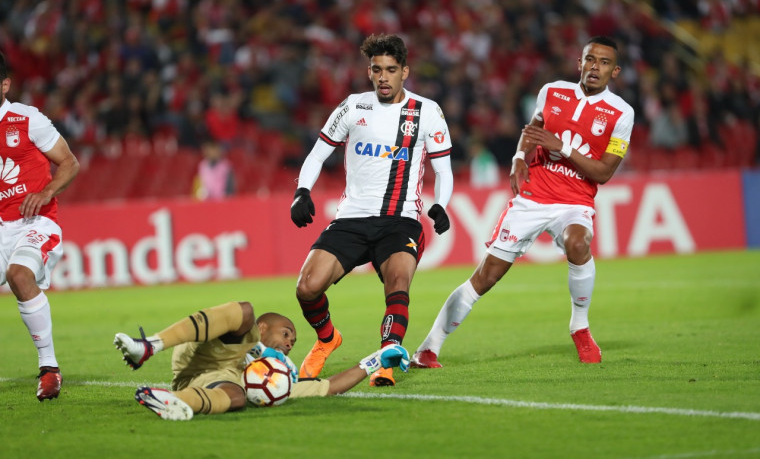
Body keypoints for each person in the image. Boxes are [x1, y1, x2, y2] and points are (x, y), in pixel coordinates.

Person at [412, 36, 634, 367]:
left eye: (603, 63)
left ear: (614, 72)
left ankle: (580, 327)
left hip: (575, 201)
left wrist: (562, 147)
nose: (594, 67)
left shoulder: (621, 113)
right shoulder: (552, 91)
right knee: (485, 277)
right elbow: (533, 129)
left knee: (578, 243)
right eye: (590, 60)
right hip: (533, 197)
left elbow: (602, 174)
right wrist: (518, 156)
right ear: (579, 63)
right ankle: (429, 348)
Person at [289, 33, 453, 387]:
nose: (383, 77)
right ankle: (328, 337)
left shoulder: (427, 112)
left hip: (401, 220)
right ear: (369, 71)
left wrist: (441, 205)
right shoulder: (353, 107)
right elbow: (318, 153)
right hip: (352, 218)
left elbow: (444, 170)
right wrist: (302, 191)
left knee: (398, 282)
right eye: (377, 69)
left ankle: (387, 357)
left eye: (391, 70)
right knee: (307, 287)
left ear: (405, 71)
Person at [113, 301, 410, 421]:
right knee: (244, 312)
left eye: (293, 341)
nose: (290, 343)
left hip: (209, 381)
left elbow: (329, 386)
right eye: (286, 334)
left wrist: (375, 360)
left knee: (237, 397)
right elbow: (239, 322)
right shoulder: (251, 332)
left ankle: (172, 401)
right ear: (265, 329)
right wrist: (257, 349)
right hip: (205, 354)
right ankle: (150, 345)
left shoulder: (278, 376)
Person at [0, 51, 80, 400]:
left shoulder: (27, 119)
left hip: (37, 222)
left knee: (20, 275)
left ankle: (49, 368)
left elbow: (69, 163)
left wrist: (46, 192)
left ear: (4, 84)